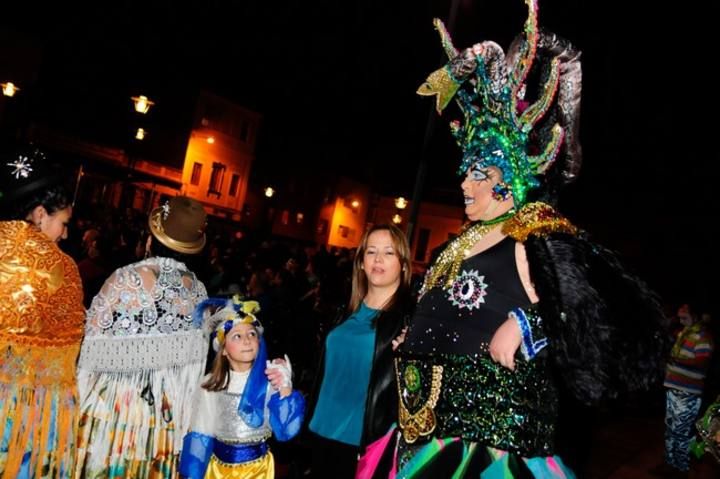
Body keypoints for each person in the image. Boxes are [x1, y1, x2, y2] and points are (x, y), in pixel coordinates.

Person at [361, 3, 667, 478]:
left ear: (507, 179)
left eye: (478, 174)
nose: (465, 184)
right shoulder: (455, 245)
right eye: (465, 173)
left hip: (487, 448)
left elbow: (605, 314)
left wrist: (530, 326)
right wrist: (412, 332)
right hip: (421, 431)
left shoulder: (537, 233)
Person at [74, 196, 209, 478]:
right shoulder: (199, 292)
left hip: (116, 405)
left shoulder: (127, 278)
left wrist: (77, 402)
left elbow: (90, 351)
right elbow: (194, 370)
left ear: (151, 239)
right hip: (164, 411)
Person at [0, 158, 85, 478]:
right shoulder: (64, 270)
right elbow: (65, 357)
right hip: (25, 408)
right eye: (63, 223)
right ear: (39, 214)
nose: (64, 234)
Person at [308, 224, 414, 478]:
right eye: (371, 251)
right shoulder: (342, 312)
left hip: (362, 443)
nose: (378, 259)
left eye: (389, 253)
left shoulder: (408, 322)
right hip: (318, 432)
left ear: (403, 264)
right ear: (361, 262)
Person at [178, 298, 305, 478]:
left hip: (258, 470)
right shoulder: (211, 384)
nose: (247, 340)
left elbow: (286, 432)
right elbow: (201, 432)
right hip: (218, 471)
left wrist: (285, 387)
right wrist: (193, 473)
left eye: (252, 334)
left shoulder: (270, 379)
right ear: (223, 349)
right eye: (237, 336)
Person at [651, 304, 714, 477]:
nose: (681, 321)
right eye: (679, 318)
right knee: (671, 430)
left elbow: (702, 363)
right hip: (674, 389)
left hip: (688, 393)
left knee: (681, 433)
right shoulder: (683, 334)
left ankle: (681, 468)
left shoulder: (702, 337)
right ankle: (670, 464)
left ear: (696, 316)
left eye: (684, 317)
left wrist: (675, 361)